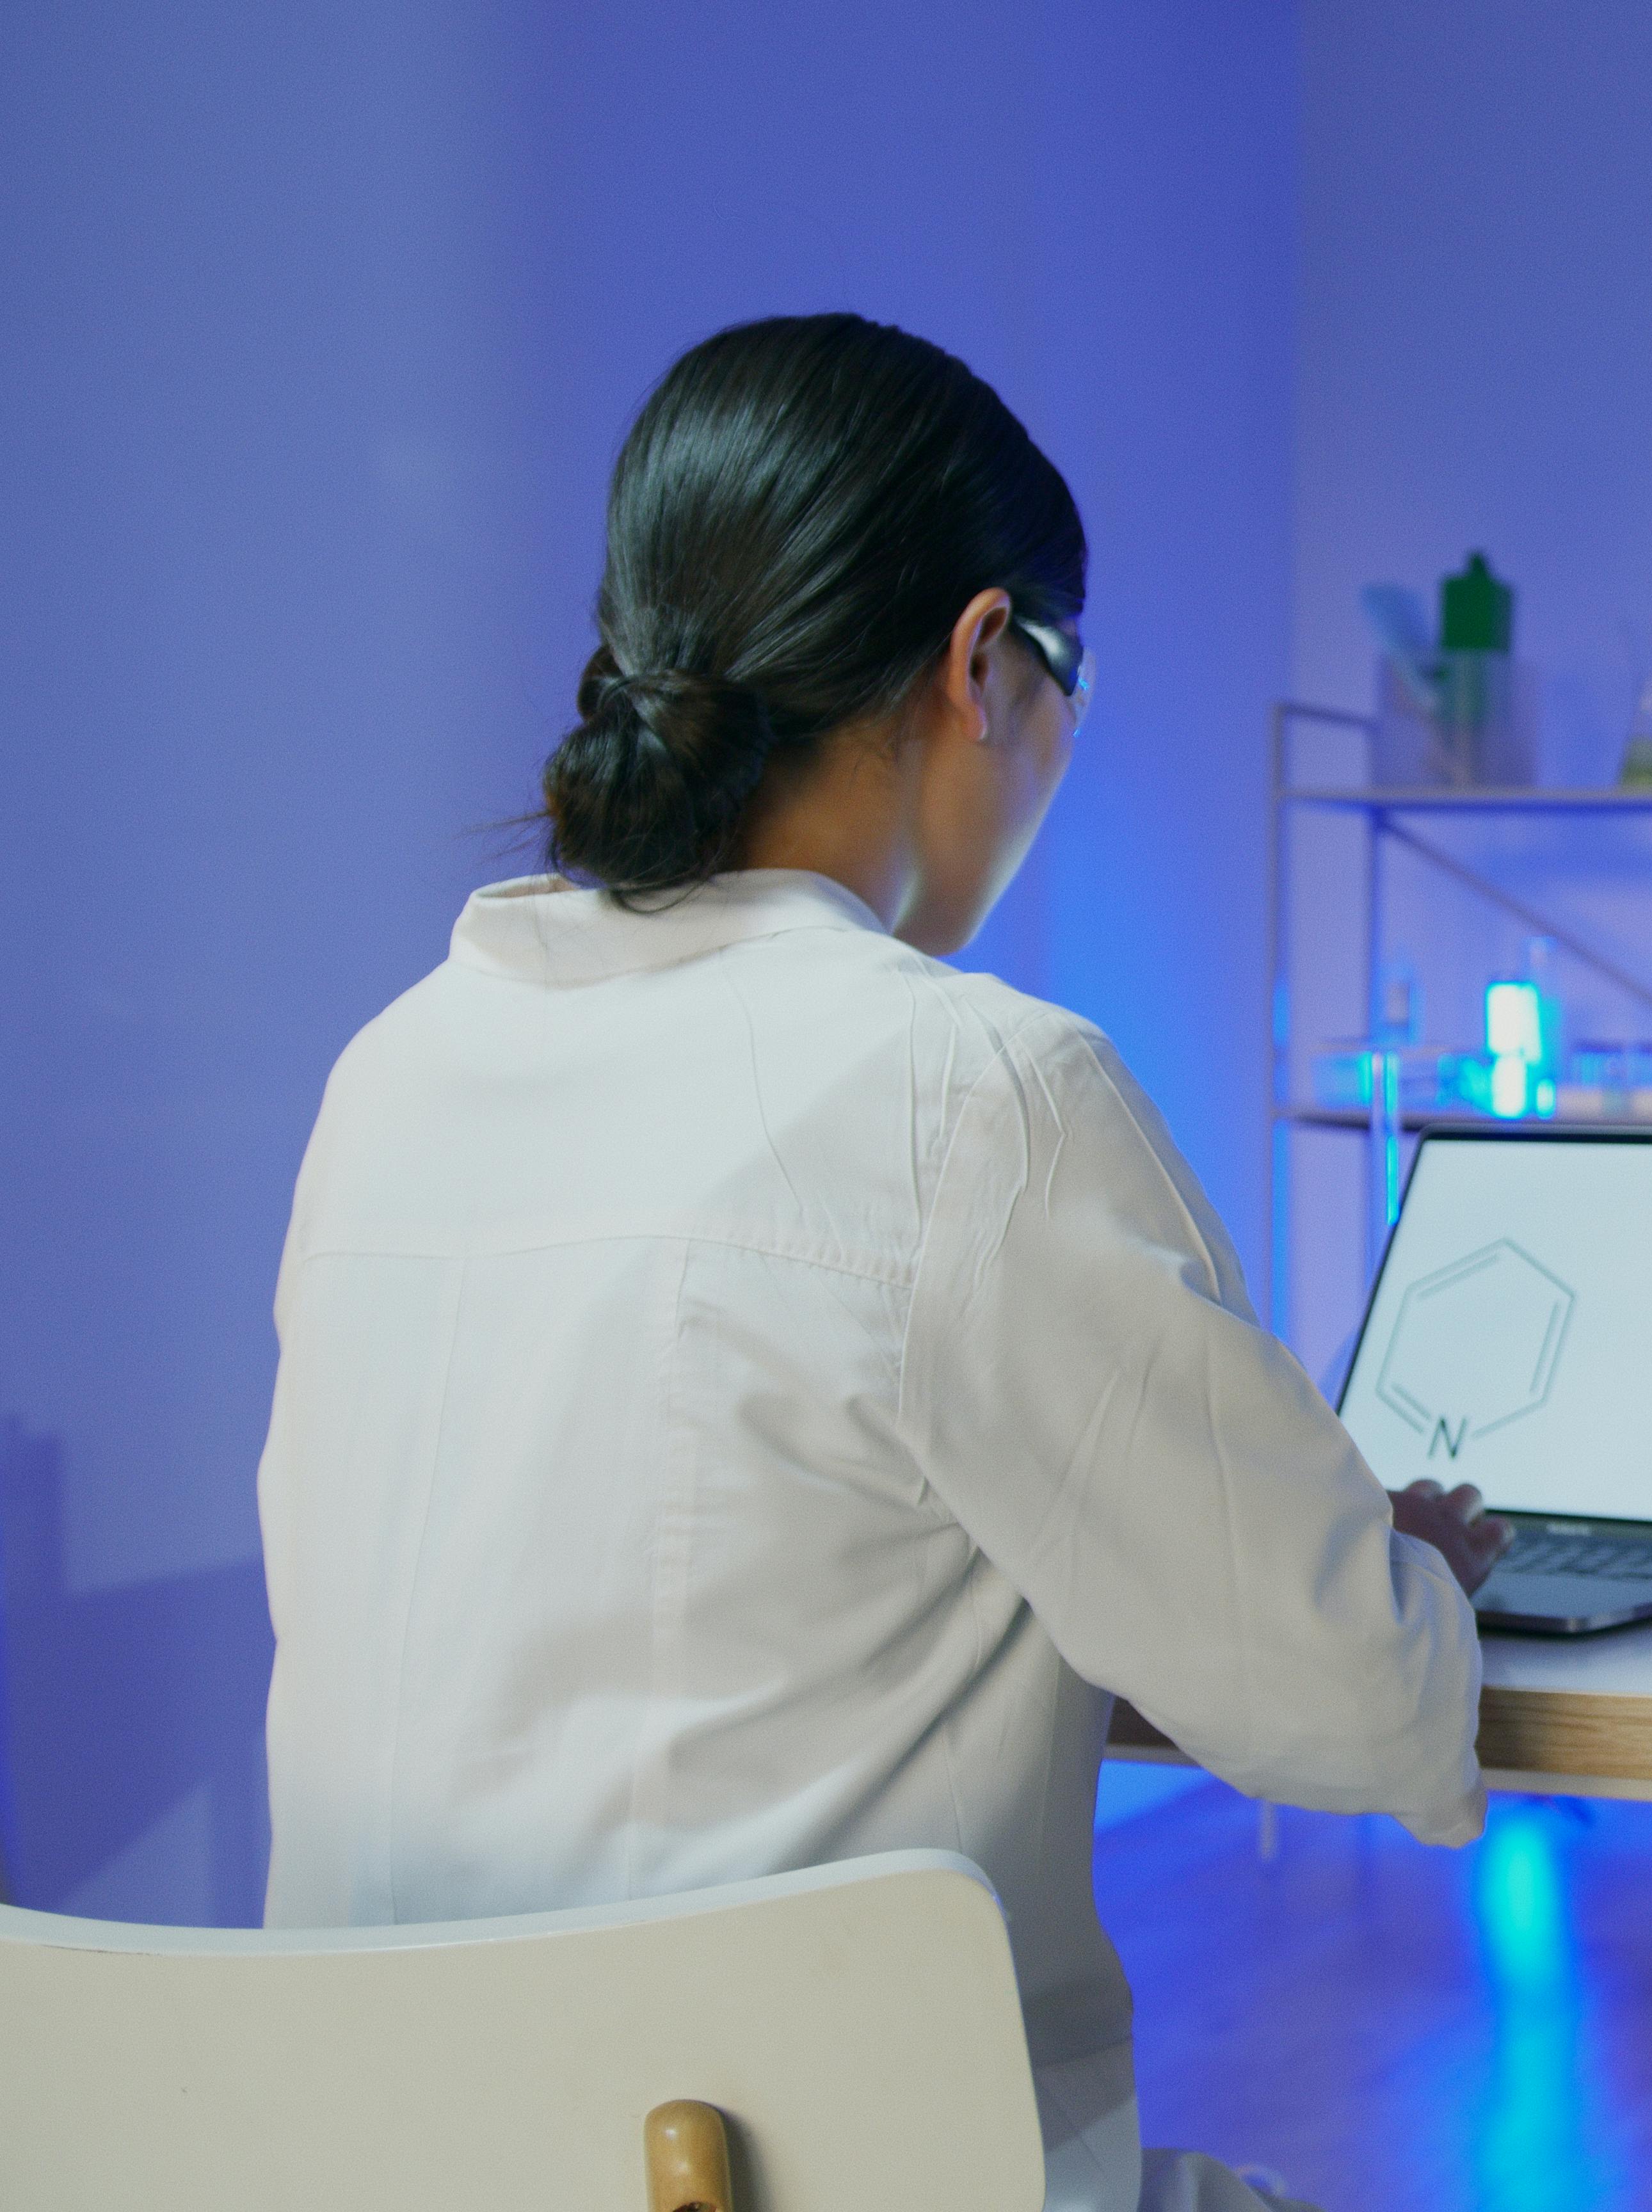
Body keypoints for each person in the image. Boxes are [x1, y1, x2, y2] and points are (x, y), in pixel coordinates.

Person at [253, 313, 1506, 2212]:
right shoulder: (974, 1095)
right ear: (983, 661)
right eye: (1074, 683)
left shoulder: (394, 1069)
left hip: (367, 2166)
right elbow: (1357, 1713)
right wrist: (1382, 1568)